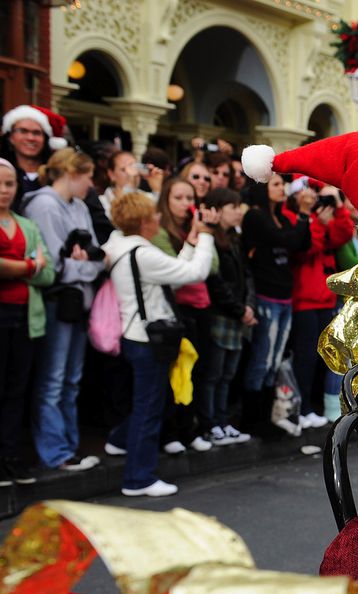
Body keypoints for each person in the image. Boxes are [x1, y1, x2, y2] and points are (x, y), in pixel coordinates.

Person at [102, 192, 215, 497]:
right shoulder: (142, 252)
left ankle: (119, 440)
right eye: (152, 215)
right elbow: (194, 274)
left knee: (149, 402)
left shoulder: (119, 244)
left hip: (136, 335)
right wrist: (205, 237)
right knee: (149, 407)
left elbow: (171, 274)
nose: (157, 218)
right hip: (149, 338)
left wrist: (190, 242)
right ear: (142, 221)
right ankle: (138, 479)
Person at [21, 148, 102, 472]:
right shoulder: (43, 204)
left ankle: (68, 446)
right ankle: (54, 452)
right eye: (87, 176)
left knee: (71, 379)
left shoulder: (80, 206)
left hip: (79, 302)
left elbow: (96, 256)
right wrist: (84, 264)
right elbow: (54, 265)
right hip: (57, 302)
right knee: (53, 379)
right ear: (72, 173)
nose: (90, 183)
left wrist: (85, 262)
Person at [147, 175, 216, 454]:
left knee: (197, 371)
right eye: (178, 197)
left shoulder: (195, 225)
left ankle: (191, 429)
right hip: (173, 310)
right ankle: (171, 432)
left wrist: (204, 233)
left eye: (189, 198)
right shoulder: (160, 231)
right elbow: (177, 274)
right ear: (166, 199)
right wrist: (197, 240)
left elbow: (212, 266)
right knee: (174, 374)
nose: (186, 203)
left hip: (200, 308)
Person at [241, 173, 309, 433]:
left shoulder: (279, 217)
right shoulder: (255, 217)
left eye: (282, 183)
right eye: (276, 184)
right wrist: (302, 215)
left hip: (284, 295)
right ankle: (251, 421)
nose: (283, 188)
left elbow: (302, 243)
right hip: (266, 295)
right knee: (262, 359)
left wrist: (303, 217)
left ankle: (267, 418)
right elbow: (287, 240)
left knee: (275, 359)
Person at [0, 159, 54, 486]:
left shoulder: (27, 225)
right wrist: (29, 265)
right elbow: (37, 266)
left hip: (24, 318)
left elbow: (48, 272)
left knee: (16, 390)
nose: (3, 191)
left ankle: (10, 458)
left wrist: (17, 267)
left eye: (8, 184)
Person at [289, 181, 354, 428]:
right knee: (305, 357)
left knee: (321, 358)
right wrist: (316, 221)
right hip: (304, 300)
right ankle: (303, 407)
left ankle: (310, 406)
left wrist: (338, 208)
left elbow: (342, 234)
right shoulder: (297, 219)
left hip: (325, 298)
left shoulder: (318, 220)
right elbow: (308, 246)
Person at [197, 187, 254, 446]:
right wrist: (238, 309)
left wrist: (247, 306)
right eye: (232, 207)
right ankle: (209, 423)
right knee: (213, 374)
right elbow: (215, 281)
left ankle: (222, 420)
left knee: (228, 373)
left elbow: (247, 274)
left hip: (237, 314)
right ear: (217, 210)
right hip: (220, 314)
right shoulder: (210, 239)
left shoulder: (234, 238)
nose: (237, 212)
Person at [1, 105, 58, 204]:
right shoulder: (2, 170)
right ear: (10, 137)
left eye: (37, 133)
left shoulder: (57, 172)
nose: (30, 138)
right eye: (23, 131)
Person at [99, 150, 137, 215]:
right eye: (123, 169)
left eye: (133, 168)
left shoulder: (147, 197)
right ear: (111, 174)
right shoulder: (101, 203)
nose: (130, 174)